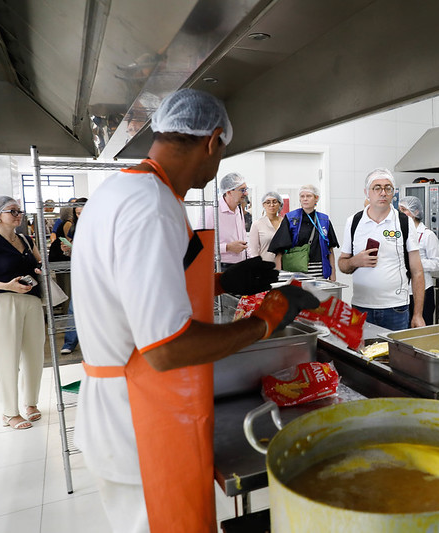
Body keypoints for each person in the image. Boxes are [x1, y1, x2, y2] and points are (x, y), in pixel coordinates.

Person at [70, 88, 318, 533]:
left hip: (118, 408)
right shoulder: (153, 206)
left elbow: (138, 293)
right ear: (212, 141)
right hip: (140, 423)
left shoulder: (122, 191)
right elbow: (166, 347)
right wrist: (263, 322)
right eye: (223, 154)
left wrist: (224, 282)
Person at [338, 168, 426, 330]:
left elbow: (417, 271)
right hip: (360, 308)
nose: (383, 192)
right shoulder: (354, 222)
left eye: (388, 188)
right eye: (377, 188)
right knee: (360, 354)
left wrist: (418, 314)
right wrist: (355, 261)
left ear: (393, 193)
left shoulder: (404, 223)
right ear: (367, 192)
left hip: (396, 309)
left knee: (396, 355)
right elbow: (342, 264)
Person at [0, 196, 44, 430]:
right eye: (11, 211)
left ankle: (31, 404)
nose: (18, 214)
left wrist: (38, 269)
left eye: (19, 211)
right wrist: (7, 285)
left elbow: (39, 263)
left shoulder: (26, 238)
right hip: (4, 302)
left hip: (32, 300)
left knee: (35, 355)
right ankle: (9, 412)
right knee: (7, 358)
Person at [269, 184, 339, 280]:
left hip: (319, 271)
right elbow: (279, 250)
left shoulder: (324, 220)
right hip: (296, 270)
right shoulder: (290, 218)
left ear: (316, 198)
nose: (305, 199)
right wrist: (279, 275)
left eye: (309, 196)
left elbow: (330, 249)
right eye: (302, 196)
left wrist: (333, 276)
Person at [398, 196, 439, 325]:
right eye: (399, 209)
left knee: (421, 328)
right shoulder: (400, 232)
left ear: (415, 212)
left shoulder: (427, 235)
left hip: (423, 290)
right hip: (404, 291)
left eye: (404, 209)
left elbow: (437, 263)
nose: (400, 213)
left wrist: (415, 262)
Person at [205, 172, 249, 269]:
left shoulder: (239, 210)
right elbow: (201, 246)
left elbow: (244, 237)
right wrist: (227, 247)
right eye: (242, 190)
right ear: (229, 192)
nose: (246, 193)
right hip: (221, 268)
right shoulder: (212, 212)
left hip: (241, 266)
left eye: (246, 189)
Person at [60, 198, 87, 355]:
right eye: (77, 213)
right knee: (74, 307)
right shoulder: (74, 228)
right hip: (79, 270)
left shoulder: (99, 226)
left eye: (82, 212)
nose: (80, 215)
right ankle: (69, 342)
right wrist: (67, 249)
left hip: (95, 271)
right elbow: (73, 250)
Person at [248, 191, 283, 262]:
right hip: (265, 265)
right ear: (263, 205)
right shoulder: (257, 225)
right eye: (268, 202)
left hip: (284, 265)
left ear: (280, 204)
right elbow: (253, 251)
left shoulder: (285, 223)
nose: (271, 205)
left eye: (275, 202)